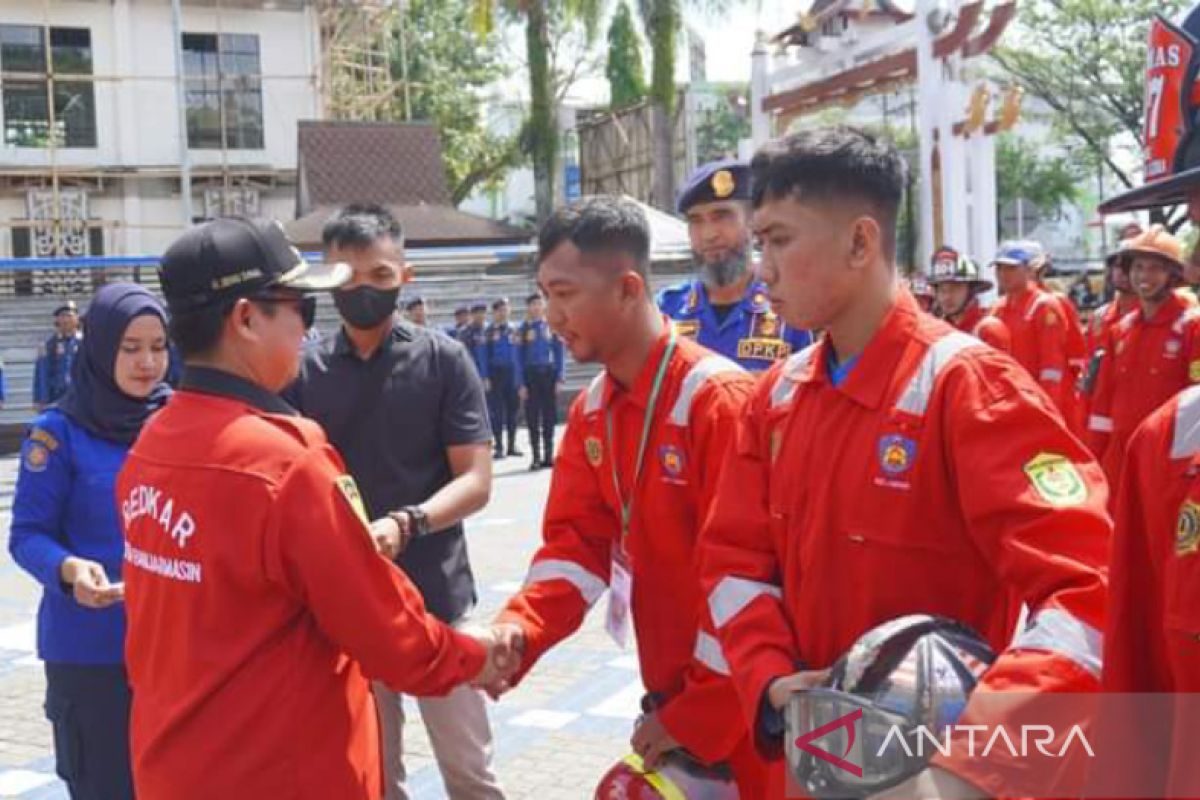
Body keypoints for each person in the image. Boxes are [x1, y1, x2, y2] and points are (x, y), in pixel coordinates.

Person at [697, 127, 1109, 798]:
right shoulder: (775, 397)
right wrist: (769, 677)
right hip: (809, 761)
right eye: (757, 244)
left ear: (862, 242)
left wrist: (971, 764)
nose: (761, 269)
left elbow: (1092, 595)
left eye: (778, 241)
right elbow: (733, 563)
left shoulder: (970, 388)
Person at [117, 216, 497, 800]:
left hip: (174, 765)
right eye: (300, 306)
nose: (306, 326)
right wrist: (476, 656)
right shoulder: (284, 462)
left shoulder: (152, 445)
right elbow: (383, 631)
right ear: (245, 318)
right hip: (281, 770)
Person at [483, 196, 768, 797]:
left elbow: (750, 582)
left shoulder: (716, 403)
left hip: (743, 715)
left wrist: (695, 714)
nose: (552, 316)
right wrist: (518, 630)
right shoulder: (593, 412)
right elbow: (575, 548)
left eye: (564, 293)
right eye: (545, 294)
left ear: (628, 288)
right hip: (675, 707)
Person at [286, 205, 504, 800]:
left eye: (380, 277)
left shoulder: (442, 359)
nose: (363, 291)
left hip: (437, 600)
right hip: (350, 611)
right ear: (323, 280)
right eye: (347, 278)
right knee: (374, 779)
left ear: (405, 277)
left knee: (471, 775)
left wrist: (408, 523)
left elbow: (476, 480)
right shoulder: (304, 371)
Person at [9, 283, 170, 800]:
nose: (147, 362)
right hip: (91, 651)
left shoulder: (178, 424)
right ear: (100, 348)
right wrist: (68, 569)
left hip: (174, 647)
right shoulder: (58, 433)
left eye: (158, 346)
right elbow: (28, 534)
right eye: (130, 348)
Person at [658, 159, 811, 371]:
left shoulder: (792, 307)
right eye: (696, 220)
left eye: (722, 216)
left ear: (752, 221)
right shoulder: (667, 310)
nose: (709, 234)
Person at [1086, 225, 1200, 488]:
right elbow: (1102, 405)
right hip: (1121, 460)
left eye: (1155, 268)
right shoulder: (1119, 331)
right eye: (1138, 267)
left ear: (1172, 275)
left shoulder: (1192, 327)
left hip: (1170, 462)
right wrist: (1094, 459)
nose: (1144, 276)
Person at [989, 240, 1080, 429]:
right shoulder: (996, 309)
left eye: (1011, 268)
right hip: (1009, 405)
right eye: (999, 268)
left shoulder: (1044, 306)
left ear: (1030, 271)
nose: (1003, 274)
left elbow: (1052, 367)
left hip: (1040, 405)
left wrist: (1046, 411)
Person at [928, 245, 1010, 352]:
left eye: (955, 288)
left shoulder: (988, 330)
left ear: (972, 290)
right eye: (942, 289)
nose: (947, 296)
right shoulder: (937, 331)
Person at [516, 292, 564, 470]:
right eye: (532, 304)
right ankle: (536, 456)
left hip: (549, 374)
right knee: (532, 416)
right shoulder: (522, 330)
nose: (536, 308)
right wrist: (520, 383)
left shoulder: (551, 327)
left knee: (549, 416)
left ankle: (548, 455)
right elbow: (518, 358)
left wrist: (560, 377)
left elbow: (559, 353)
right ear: (528, 308)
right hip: (531, 376)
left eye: (539, 304)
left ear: (543, 306)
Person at [484, 297, 522, 459]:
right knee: (497, 412)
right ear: (495, 312)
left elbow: (520, 355)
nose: (504, 313)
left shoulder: (515, 330)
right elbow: (484, 355)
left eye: (506, 309)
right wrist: (485, 376)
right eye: (500, 310)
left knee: (513, 410)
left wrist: (521, 379)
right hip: (496, 373)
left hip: (512, 374)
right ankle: (499, 445)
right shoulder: (489, 332)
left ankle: (512, 445)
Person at [33, 300, 82, 410]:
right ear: (57, 320)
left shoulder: (87, 343)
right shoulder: (48, 345)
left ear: (77, 319)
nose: (65, 320)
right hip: (56, 398)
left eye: (69, 316)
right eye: (62, 316)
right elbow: (40, 373)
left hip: (81, 398)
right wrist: (39, 399)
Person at [462, 301, 489, 378]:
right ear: (472, 315)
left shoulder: (489, 329)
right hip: (472, 371)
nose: (481, 315)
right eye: (478, 313)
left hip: (490, 372)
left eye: (483, 313)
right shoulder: (465, 332)